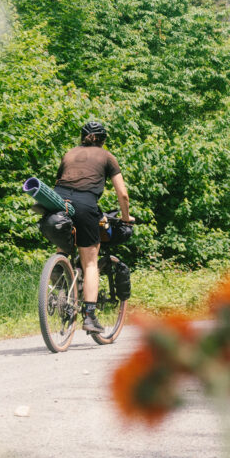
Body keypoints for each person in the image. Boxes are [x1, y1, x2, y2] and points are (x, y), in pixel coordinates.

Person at [54, 121, 133, 333]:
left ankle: (59, 281)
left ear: (82, 137)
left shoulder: (69, 154)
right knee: (90, 262)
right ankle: (89, 316)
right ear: (103, 139)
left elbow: (60, 181)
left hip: (57, 201)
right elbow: (122, 194)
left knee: (64, 242)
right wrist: (125, 218)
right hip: (85, 203)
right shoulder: (107, 157)